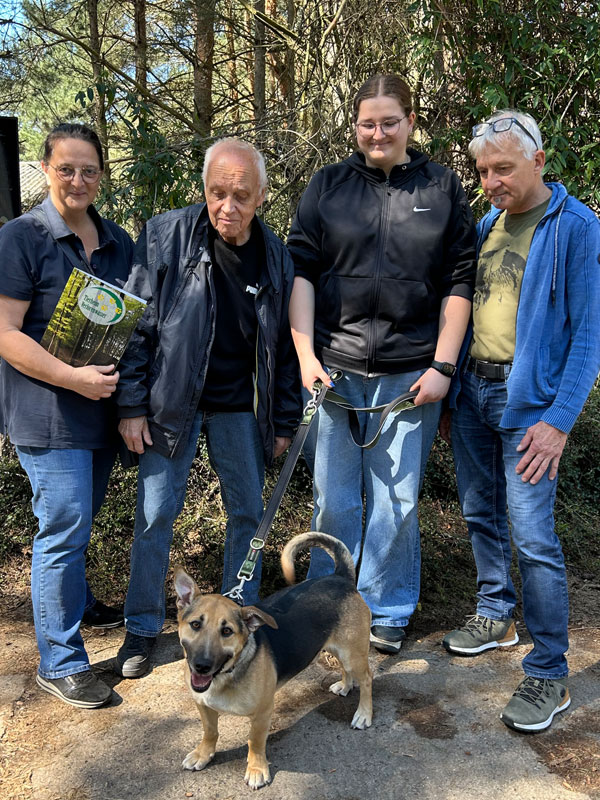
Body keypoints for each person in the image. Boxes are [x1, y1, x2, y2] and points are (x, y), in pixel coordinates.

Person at [287, 74, 477, 654]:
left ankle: (387, 609)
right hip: (335, 373)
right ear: (355, 127)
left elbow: (460, 281)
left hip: (410, 374)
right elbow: (301, 274)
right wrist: (304, 358)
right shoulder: (327, 187)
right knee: (334, 499)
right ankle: (326, 608)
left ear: (410, 123)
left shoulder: (443, 188)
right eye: (367, 123)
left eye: (389, 122)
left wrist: (443, 367)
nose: (378, 133)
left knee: (396, 501)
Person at [114, 138, 300, 679]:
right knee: (155, 514)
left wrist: (284, 420)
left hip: (241, 408)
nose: (228, 206)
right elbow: (137, 326)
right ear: (204, 188)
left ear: (261, 196)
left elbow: (284, 351)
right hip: (170, 406)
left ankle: (235, 630)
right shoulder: (167, 235)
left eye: (241, 195)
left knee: (249, 515)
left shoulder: (275, 256)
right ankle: (142, 629)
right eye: (218, 192)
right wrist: (131, 404)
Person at [441, 110, 600, 732]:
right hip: (475, 394)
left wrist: (560, 420)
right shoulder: (487, 224)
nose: (491, 181)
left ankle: (549, 672)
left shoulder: (578, 226)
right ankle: (494, 612)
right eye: (482, 170)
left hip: (529, 407)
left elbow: (589, 335)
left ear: (538, 160)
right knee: (480, 511)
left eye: (503, 168)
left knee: (534, 539)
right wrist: (456, 398)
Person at [0, 123, 134, 708]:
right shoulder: (21, 237)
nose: (78, 180)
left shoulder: (117, 241)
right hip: (47, 415)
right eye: (66, 169)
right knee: (62, 529)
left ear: (101, 175)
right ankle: (59, 659)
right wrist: (73, 378)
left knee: (77, 524)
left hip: (99, 414)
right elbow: (5, 333)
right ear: (46, 169)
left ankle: (74, 605)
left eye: (89, 170)